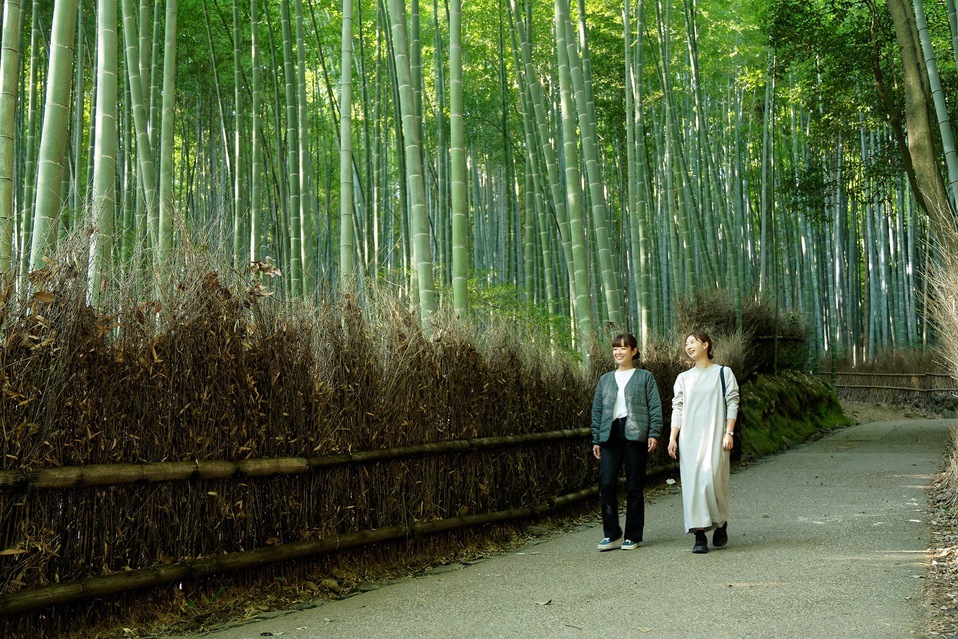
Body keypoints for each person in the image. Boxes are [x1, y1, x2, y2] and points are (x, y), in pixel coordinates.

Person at [667, 331, 740, 554]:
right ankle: (699, 534)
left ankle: (720, 522)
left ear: (706, 344)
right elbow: (677, 407)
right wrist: (673, 437)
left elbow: (732, 401)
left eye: (693, 342)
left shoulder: (723, 373)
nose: (688, 346)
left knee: (713, 482)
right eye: (686, 343)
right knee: (693, 487)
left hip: (716, 436)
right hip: (690, 438)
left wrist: (729, 432)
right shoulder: (683, 378)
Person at [591, 333, 663, 551]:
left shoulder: (645, 377)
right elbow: (597, 409)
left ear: (634, 351)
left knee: (634, 486)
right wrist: (596, 438)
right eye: (615, 349)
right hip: (610, 434)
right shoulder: (605, 379)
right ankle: (611, 534)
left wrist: (654, 433)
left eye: (623, 348)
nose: (618, 352)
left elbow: (655, 407)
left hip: (635, 434)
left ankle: (633, 535)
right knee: (606, 483)